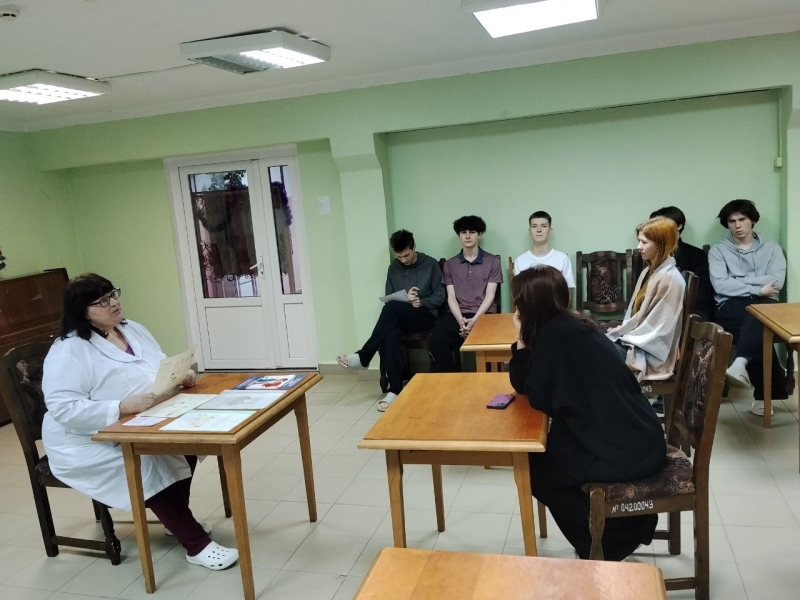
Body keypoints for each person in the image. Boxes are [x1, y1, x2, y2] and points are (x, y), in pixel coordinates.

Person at [42, 274, 238, 571]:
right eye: (102, 301)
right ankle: (196, 545)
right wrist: (120, 407)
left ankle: (176, 520)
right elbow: (63, 408)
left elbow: (157, 367)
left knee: (187, 441)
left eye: (113, 294)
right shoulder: (68, 349)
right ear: (82, 311)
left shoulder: (132, 329)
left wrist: (179, 377)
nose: (114, 303)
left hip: (141, 420)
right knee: (149, 461)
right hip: (86, 439)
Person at [509, 266, 665, 561]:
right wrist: (522, 338)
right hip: (635, 437)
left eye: (518, 301)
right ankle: (621, 529)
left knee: (534, 470)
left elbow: (536, 396)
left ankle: (611, 542)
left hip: (625, 451)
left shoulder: (555, 336)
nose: (515, 307)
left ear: (529, 304)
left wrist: (522, 338)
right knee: (545, 461)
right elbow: (524, 384)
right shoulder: (566, 325)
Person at [338, 229, 445, 411]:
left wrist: (421, 301)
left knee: (391, 308)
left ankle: (364, 356)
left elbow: (440, 296)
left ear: (414, 247)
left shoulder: (431, 264)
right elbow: (390, 296)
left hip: (425, 316)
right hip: (401, 316)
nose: (403, 260)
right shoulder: (393, 268)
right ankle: (395, 390)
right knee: (389, 335)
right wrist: (405, 299)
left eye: (406, 255)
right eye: (399, 256)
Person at [708, 199, 787, 416]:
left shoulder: (771, 247)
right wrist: (758, 288)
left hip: (767, 304)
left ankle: (740, 363)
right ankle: (764, 397)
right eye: (732, 221)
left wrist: (738, 282)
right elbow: (721, 285)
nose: (737, 225)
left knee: (758, 317)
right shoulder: (718, 251)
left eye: (742, 219)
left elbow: (777, 281)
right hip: (730, 305)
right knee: (757, 321)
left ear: (752, 220)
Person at [606, 217, 686, 382]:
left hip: (650, 352)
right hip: (639, 340)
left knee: (594, 350)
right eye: (639, 241)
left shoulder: (670, 280)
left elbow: (660, 330)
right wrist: (623, 332)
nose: (638, 247)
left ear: (661, 245)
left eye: (644, 242)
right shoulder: (650, 271)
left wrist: (625, 337)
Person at [429, 216, 502, 372]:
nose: (468, 236)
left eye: (472, 232)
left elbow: (490, 296)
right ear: (458, 236)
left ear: (479, 234)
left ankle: (489, 381)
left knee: (489, 338)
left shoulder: (492, 261)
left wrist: (474, 320)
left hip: (485, 314)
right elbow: (451, 297)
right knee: (437, 338)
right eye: (463, 232)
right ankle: (448, 381)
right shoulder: (450, 264)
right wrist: (461, 321)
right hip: (458, 314)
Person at [649, 206, 714, 321]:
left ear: (679, 226)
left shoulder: (696, 254)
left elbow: (704, 292)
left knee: (699, 319)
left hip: (689, 308)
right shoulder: (649, 253)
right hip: (655, 307)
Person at [513, 211, 575, 292]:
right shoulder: (520, 261)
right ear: (530, 231)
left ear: (550, 230)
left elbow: (568, 292)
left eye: (544, 226)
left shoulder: (563, 259)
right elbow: (518, 293)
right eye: (534, 226)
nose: (539, 230)